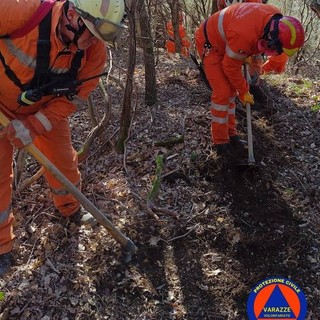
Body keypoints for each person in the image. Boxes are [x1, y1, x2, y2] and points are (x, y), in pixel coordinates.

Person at [0, 0, 126, 276]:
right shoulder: (23, 11)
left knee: (64, 164)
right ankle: (1, 248)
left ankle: (70, 210)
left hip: (43, 110)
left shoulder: (94, 53)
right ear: (72, 14)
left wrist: (33, 125)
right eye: (90, 34)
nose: (92, 43)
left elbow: (73, 99)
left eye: (98, 37)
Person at [195, 3, 305, 154]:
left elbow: (253, 37)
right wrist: (244, 90)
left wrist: (245, 54)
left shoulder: (275, 18)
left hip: (229, 42)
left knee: (231, 91)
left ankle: (231, 133)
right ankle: (220, 141)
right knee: (222, 92)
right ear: (272, 38)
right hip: (210, 44)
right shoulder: (244, 34)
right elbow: (230, 67)